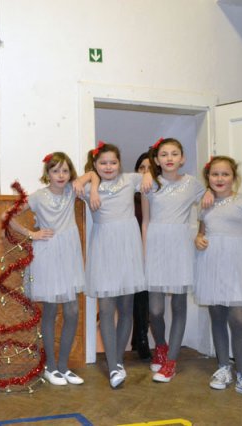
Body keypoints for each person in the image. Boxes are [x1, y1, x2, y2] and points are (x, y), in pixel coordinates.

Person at [5, 151, 86, 387]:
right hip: (47, 254)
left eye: (65, 170)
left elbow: (92, 175)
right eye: (55, 170)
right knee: (50, 310)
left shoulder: (71, 191)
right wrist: (32, 234)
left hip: (69, 255)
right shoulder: (39, 197)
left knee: (72, 311)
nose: (60, 175)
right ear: (47, 173)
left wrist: (82, 181)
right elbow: (8, 216)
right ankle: (51, 367)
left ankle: (64, 366)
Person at [194, 156, 242, 400]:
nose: (220, 178)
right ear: (208, 177)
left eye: (225, 174)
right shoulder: (205, 203)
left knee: (238, 319)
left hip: (237, 267)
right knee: (217, 316)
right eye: (215, 174)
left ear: (234, 177)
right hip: (211, 265)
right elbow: (201, 233)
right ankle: (223, 367)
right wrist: (198, 239)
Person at [81, 142, 146, 388]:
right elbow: (73, 182)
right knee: (107, 309)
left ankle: (117, 362)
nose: (108, 167)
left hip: (128, 249)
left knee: (126, 308)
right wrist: (92, 180)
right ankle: (113, 365)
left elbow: (152, 174)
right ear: (95, 165)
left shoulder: (130, 180)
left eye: (113, 162)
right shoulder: (88, 187)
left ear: (120, 163)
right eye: (103, 163)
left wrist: (149, 174)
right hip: (104, 249)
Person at [141, 137, 205, 382]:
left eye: (174, 153)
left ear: (182, 158)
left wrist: (201, 233)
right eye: (164, 154)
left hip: (180, 247)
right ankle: (161, 345)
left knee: (179, 307)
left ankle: (171, 361)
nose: (169, 158)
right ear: (157, 160)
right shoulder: (149, 184)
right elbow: (145, 221)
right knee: (155, 310)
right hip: (155, 247)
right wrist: (144, 252)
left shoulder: (193, 184)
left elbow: (208, 208)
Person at [131, 152, 152, 360]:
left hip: (153, 249)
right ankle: (139, 338)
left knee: (147, 295)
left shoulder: (157, 194)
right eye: (141, 168)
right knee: (136, 295)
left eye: (149, 168)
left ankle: (140, 338)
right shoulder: (129, 195)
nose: (145, 172)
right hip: (131, 249)